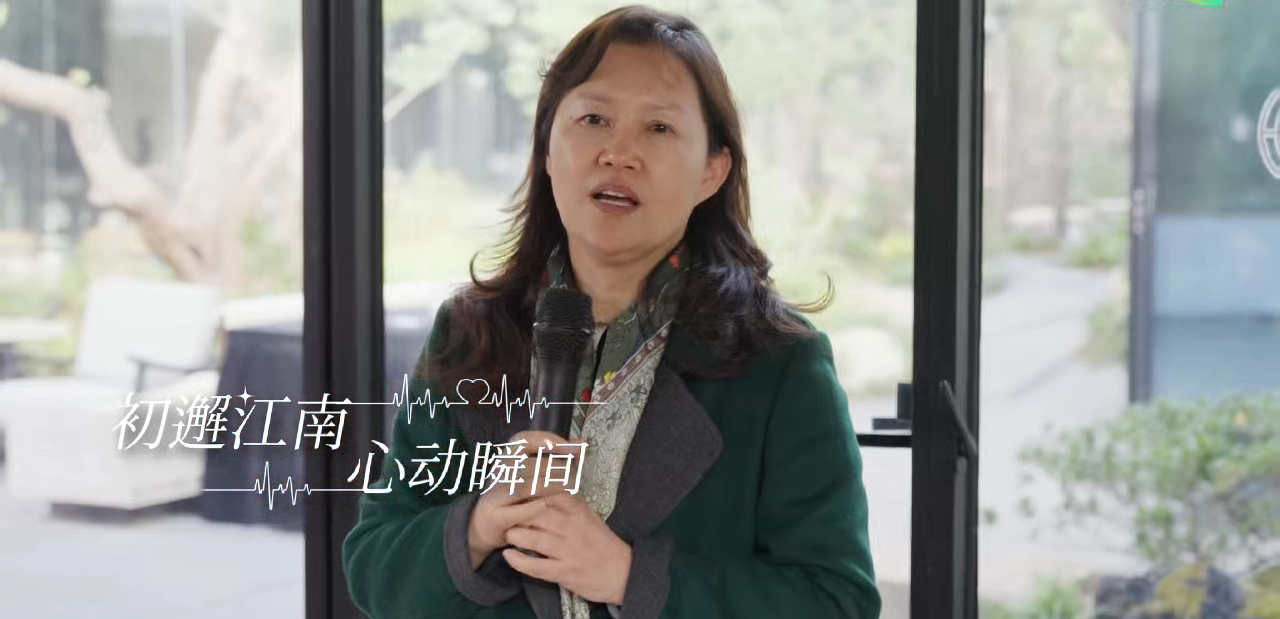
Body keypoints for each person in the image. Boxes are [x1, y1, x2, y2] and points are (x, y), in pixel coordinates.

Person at [342, 5, 880, 618]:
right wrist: (478, 528)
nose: (619, 154)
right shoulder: (469, 331)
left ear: (712, 171)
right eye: (594, 119)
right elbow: (374, 562)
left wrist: (630, 576)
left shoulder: (780, 363)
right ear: (548, 148)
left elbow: (837, 602)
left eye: (659, 128)